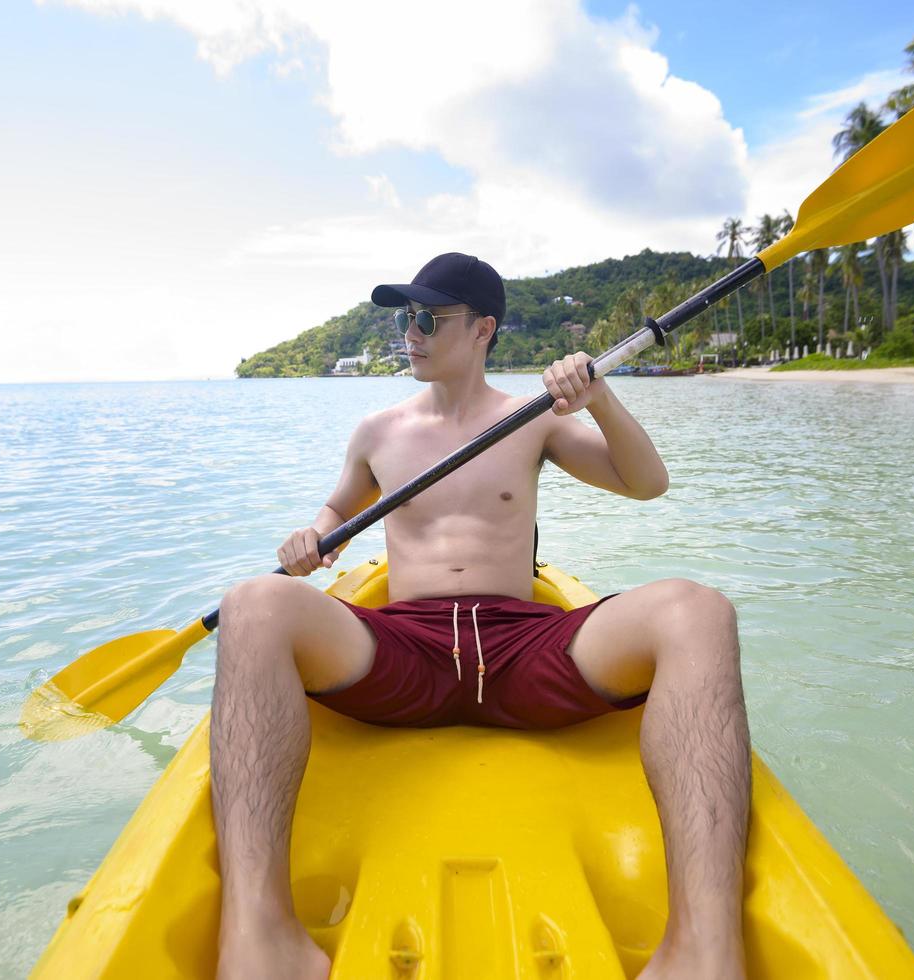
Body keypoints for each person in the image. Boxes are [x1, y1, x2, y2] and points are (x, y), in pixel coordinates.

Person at [211, 252, 750, 980]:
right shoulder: (377, 430)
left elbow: (645, 484)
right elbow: (340, 507)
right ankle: (260, 937)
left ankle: (700, 951)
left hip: (522, 647)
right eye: (405, 317)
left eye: (428, 318)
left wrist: (597, 400)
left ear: (482, 330)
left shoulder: (530, 420)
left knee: (698, 609)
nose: (411, 332)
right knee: (253, 604)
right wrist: (311, 535)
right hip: (407, 650)